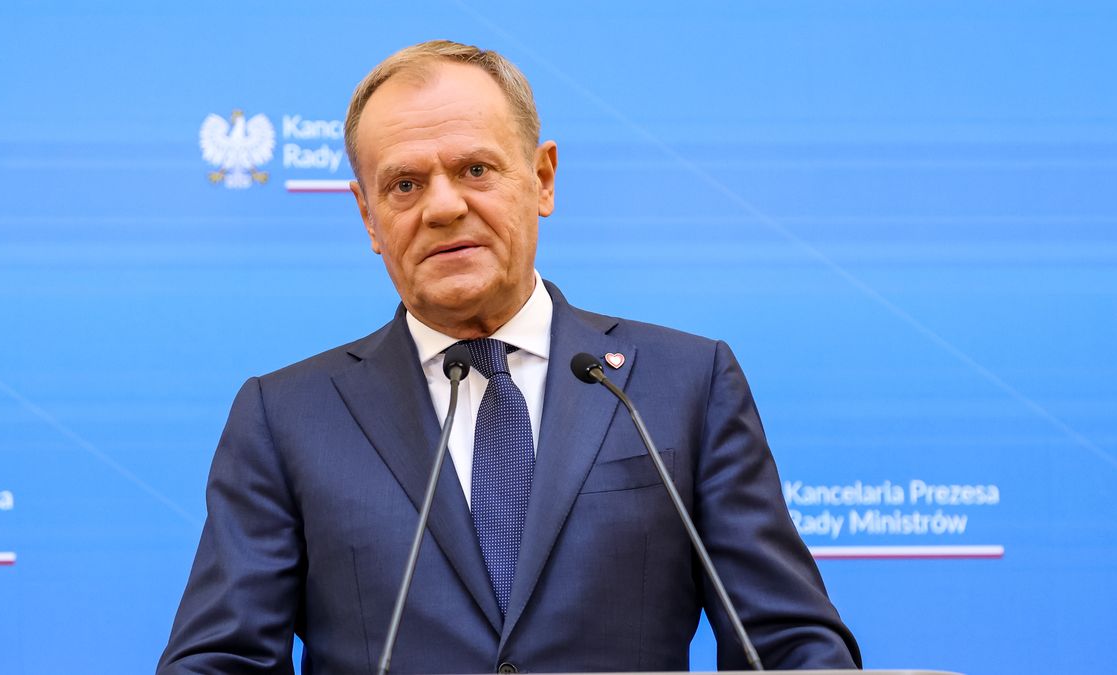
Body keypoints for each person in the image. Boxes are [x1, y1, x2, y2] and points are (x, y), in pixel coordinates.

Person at [158, 40, 861, 674]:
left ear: (542, 178)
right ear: (368, 215)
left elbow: (790, 646)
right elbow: (220, 661)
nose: (442, 207)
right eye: (404, 184)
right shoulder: (286, 418)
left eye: (475, 169)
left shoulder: (684, 386)